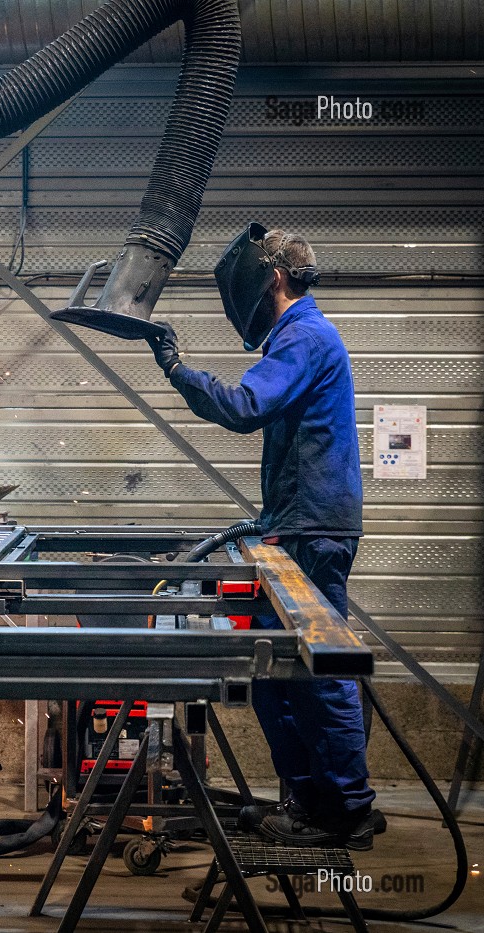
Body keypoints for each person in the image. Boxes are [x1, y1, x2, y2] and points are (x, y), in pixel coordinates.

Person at [145, 225, 382, 850]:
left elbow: (245, 405)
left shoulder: (304, 337)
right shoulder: (301, 336)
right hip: (297, 524)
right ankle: (309, 802)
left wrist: (175, 368)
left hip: (311, 528)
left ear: (272, 279)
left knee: (316, 670)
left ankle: (347, 809)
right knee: (281, 672)